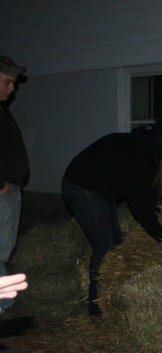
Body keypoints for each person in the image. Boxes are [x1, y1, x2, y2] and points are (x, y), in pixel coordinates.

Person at [61, 118, 162, 316]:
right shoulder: (139, 154)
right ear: (161, 140)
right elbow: (137, 205)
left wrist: (156, 204)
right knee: (105, 244)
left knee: (117, 244)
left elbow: (137, 188)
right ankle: (95, 306)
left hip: (99, 190)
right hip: (81, 187)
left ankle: (112, 296)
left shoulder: (142, 147)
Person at [0, 56, 29, 314]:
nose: (13, 88)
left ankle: (4, 303)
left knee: (4, 250)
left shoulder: (2, 109)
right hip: (2, 191)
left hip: (10, 189)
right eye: (8, 82)